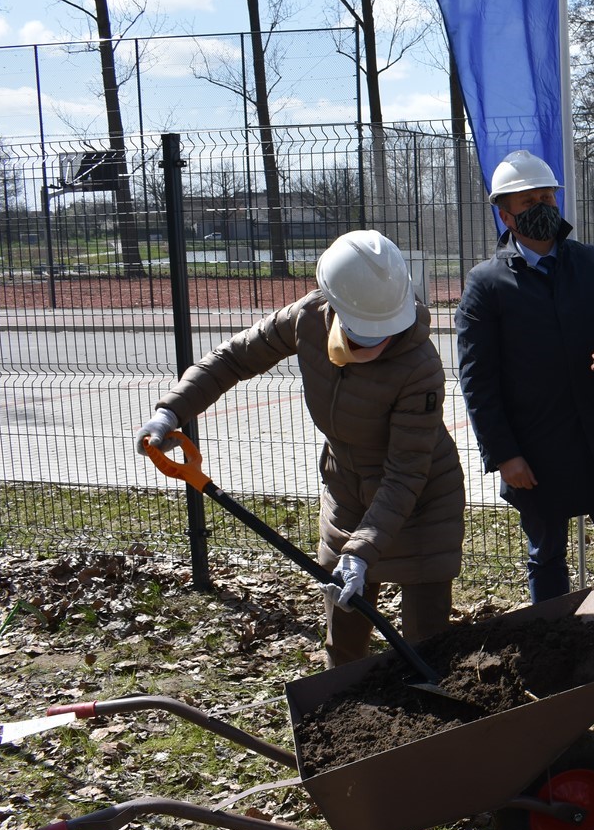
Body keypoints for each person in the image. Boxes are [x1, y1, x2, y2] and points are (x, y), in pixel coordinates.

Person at [135, 230, 465, 669]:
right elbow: (233, 358)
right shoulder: (307, 318)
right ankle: (347, 718)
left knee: (426, 644)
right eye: (364, 330)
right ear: (334, 306)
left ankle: (441, 726)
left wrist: (361, 551)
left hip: (421, 504)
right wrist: (171, 412)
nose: (377, 341)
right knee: (344, 631)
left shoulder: (419, 367)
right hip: (346, 491)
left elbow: (405, 472)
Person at [454, 150, 594, 686]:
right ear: (505, 214)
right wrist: (503, 453)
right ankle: (554, 659)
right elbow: (477, 381)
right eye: (529, 201)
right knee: (546, 554)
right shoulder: (486, 285)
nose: (543, 206)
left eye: (548, 197)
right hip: (537, 451)